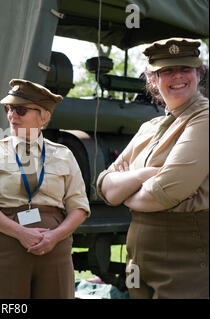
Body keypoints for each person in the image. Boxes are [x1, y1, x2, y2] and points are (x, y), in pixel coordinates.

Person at [97, 38, 209, 299]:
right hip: (140, 256)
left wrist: (125, 188)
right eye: (167, 71)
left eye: (185, 68)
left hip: (187, 254)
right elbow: (104, 187)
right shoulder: (150, 127)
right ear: (153, 79)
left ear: (198, 73)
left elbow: (164, 193)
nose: (177, 76)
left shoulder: (204, 117)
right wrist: (145, 175)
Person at [0, 79, 90, 298]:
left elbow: (79, 207)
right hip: (5, 247)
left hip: (54, 250)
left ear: (43, 116)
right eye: (9, 109)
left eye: (21, 110)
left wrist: (54, 237)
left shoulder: (63, 154)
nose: (12, 115)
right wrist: (20, 232)